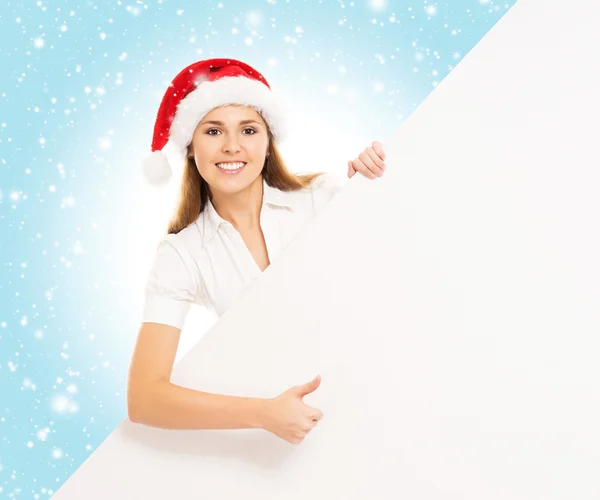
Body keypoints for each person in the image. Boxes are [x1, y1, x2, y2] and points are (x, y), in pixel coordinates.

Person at [127, 58, 387, 445]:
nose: (232, 146)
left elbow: (391, 271)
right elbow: (144, 399)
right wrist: (263, 413)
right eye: (213, 131)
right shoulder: (181, 254)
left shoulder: (324, 198)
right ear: (190, 149)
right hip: (299, 440)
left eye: (248, 130)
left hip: (378, 392)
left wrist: (376, 184)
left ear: (268, 143)